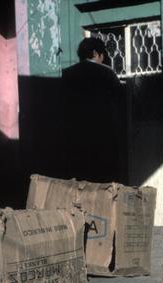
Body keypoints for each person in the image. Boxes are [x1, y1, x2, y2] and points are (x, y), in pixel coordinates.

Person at [61, 37, 124, 183]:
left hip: (75, 135)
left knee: (81, 176)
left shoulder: (67, 74)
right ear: (96, 53)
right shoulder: (107, 73)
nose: (103, 60)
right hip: (102, 134)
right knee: (102, 177)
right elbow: (119, 101)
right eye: (103, 56)